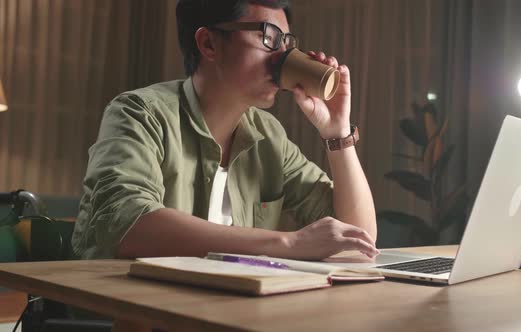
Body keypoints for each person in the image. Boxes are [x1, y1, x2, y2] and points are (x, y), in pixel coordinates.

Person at [71, 0, 379, 261]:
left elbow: (359, 240)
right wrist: (288, 244)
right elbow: (128, 224)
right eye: (269, 38)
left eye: (286, 43)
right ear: (208, 43)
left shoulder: (269, 137)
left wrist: (336, 133)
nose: (282, 58)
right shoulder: (139, 113)